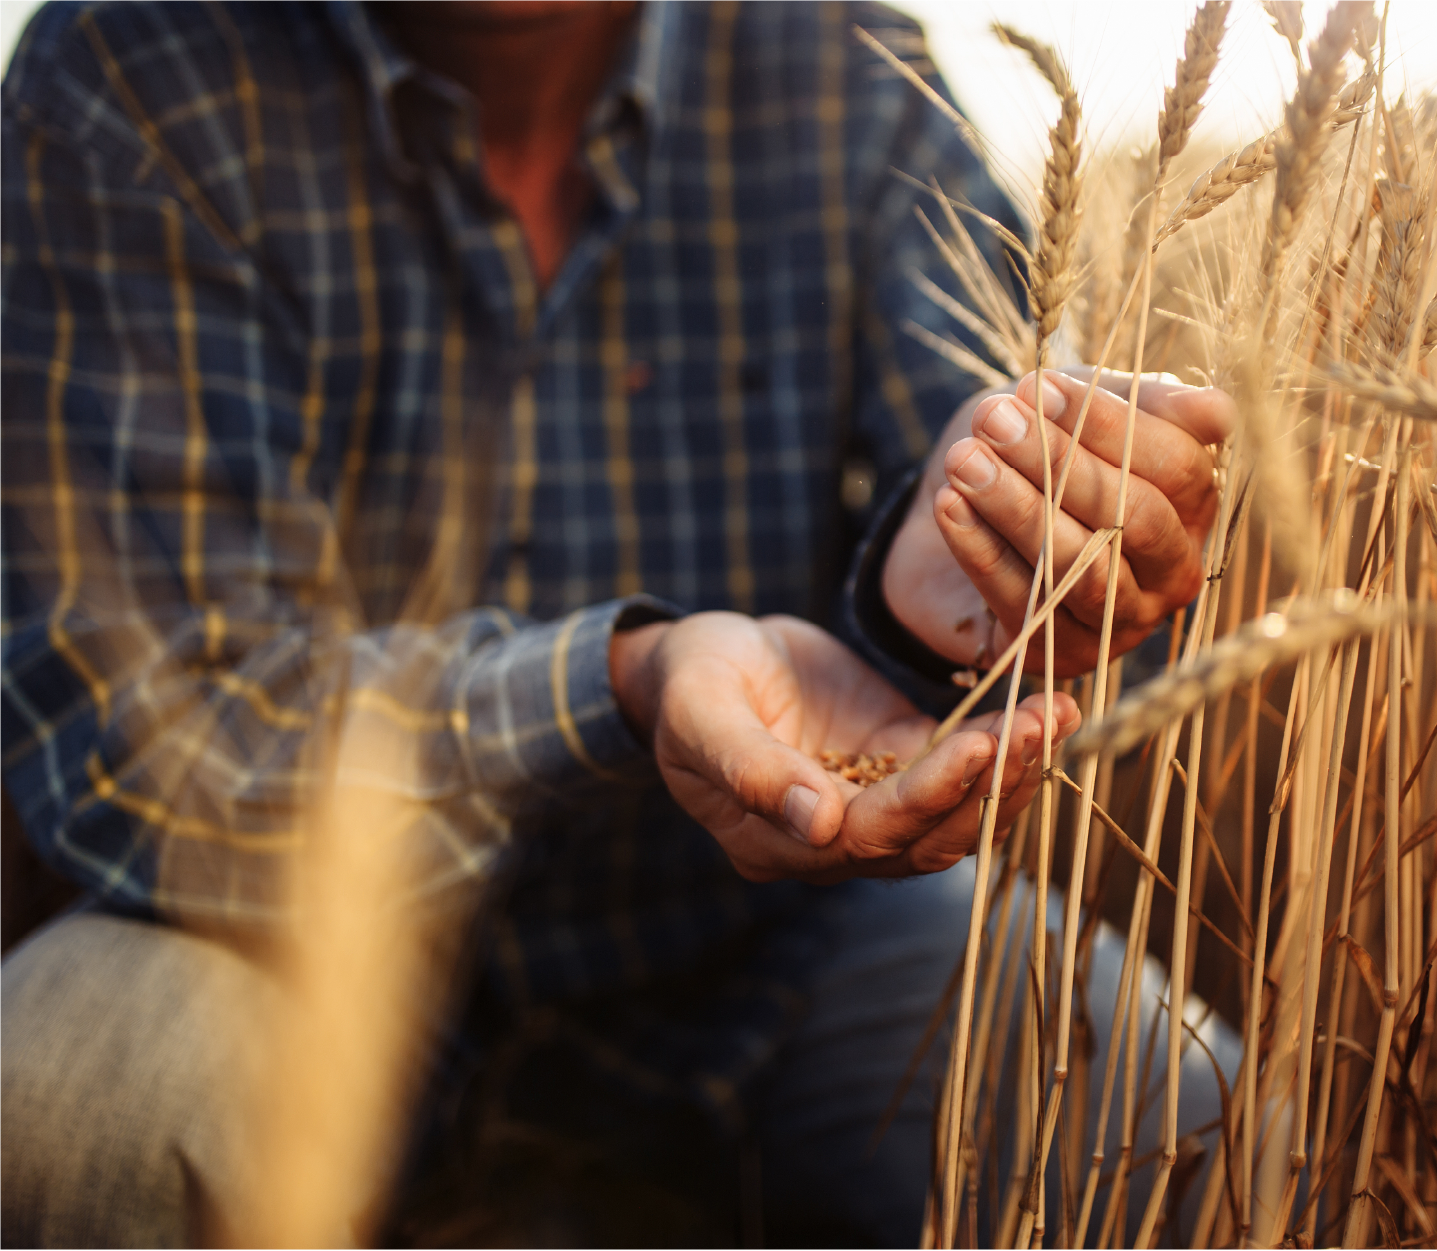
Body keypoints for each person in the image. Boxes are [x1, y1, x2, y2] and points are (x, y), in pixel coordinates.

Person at [0, 2, 1236, 1243]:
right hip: (284, 945)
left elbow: (995, 485)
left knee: (1204, 1133)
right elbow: (152, 734)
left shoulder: (843, 64)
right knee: (67, 1097)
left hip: (777, 943)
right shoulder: (136, 66)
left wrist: (976, 590)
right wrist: (624, 681)